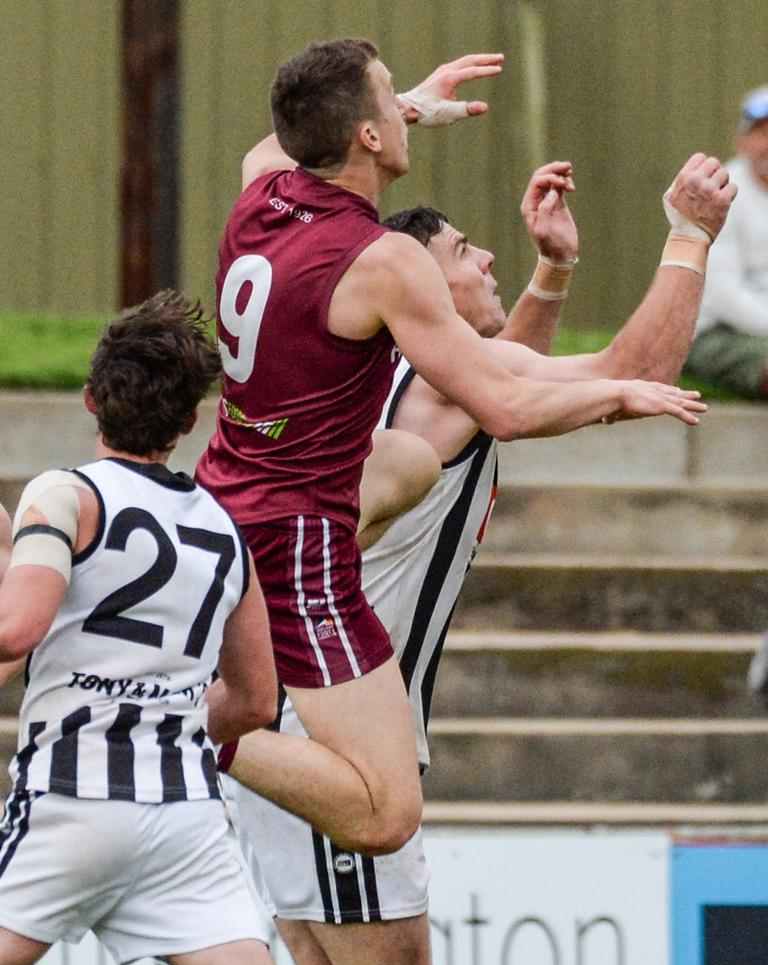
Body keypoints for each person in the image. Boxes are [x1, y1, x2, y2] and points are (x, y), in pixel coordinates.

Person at [222, 151, 736, 965]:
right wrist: (690, 238)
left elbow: (497, 378)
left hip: (298, 722)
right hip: (331, 737)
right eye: (464, 252)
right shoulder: (428, 394)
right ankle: (187, 726)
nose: (485, 257)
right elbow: (635, 368)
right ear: (419, 287)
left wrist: (554, 271)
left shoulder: (388, 381)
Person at [196, 37, 714, 861]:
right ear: (366, 136)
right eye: (390, 96)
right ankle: (164, 731)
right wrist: (622, 382)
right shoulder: (384, 261)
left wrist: (406, 106)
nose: (480, 259)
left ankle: (174, 727)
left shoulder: (261, 196)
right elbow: (506, 403)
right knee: (381, 820)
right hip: (295, 545)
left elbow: (278, 145)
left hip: (224, 503)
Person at [0, 292, 308, 965]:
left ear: (90, 400)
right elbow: (259, 701)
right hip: (185, 817)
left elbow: (18, 630)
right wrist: (160, 714)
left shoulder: (66, 494)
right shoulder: (223, 530)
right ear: (188, 420)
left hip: (72, 798)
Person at [683, 85, 768, 396]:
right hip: (717, 331)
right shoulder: (720, 193)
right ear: (741, 141)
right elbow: (724, 297)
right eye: (761, 132)